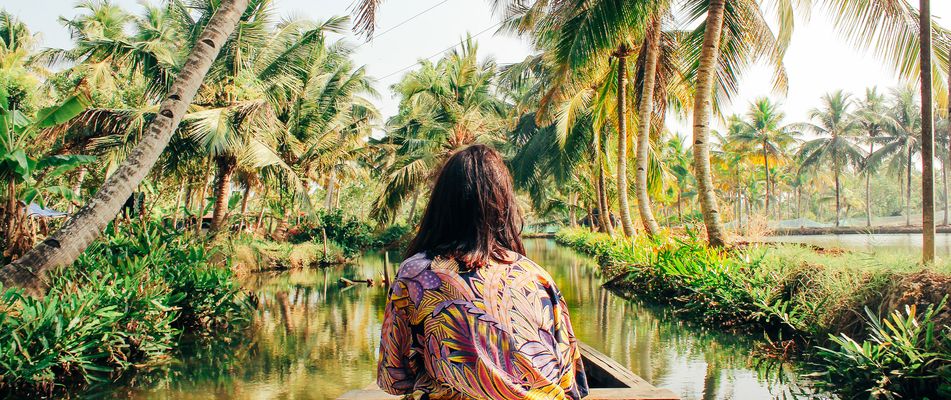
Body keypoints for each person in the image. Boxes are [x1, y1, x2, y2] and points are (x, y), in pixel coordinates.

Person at [377, 144, 588, 400]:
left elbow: (394, 378)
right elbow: (570, 380)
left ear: (441, 205)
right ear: (504, 205)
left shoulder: (415, 274)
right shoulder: (536, 276)